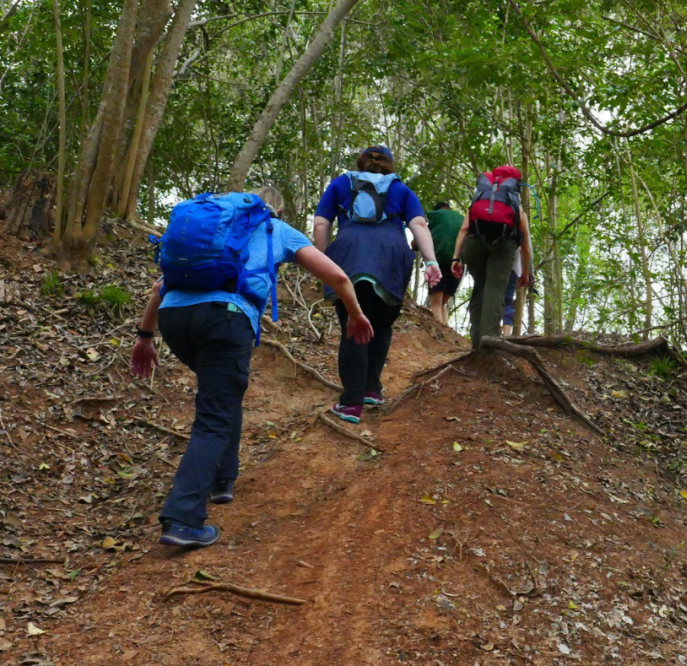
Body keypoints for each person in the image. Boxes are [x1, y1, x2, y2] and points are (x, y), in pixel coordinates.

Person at [129, 186, 373, 549]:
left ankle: (222, 479)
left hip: (173, 319)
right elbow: (337, 277)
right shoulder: (276, 228)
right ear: (278, 210)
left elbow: (157, 288)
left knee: (223, 395)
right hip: (225, 318)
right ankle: (183, 519)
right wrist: (355, 313)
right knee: (215, 415)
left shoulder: (217, 231)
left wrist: (145, 338)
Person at [313, 145, 442, 424]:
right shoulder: (401, 189)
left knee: (352, 324)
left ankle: (351, 403)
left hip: (349, 256)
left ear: (361, 165)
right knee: (381, 324)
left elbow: (321, 224)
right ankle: (371, 388)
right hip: (391, 259)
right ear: (389, 166)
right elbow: (419, 225)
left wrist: (321, 260)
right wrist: (431, 261)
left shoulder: (341, 184)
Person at [451, 166, 532, 348]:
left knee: (479, 287)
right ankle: (489, 345)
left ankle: (476, 343)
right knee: (495, 291)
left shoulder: (479, 200)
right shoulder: (517, 208)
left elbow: (464, 229)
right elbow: (526, 248)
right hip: (504, 245)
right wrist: (525, 273)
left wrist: (456, 258)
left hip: (474, 242)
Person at [425, 200, 465, 325]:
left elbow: (420, 240)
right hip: (458, 263)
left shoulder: (436, 216)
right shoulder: (461, 218)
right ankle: (446, 331)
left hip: (440, 260)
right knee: (442, 303)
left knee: (436, 304)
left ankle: (439, 333)